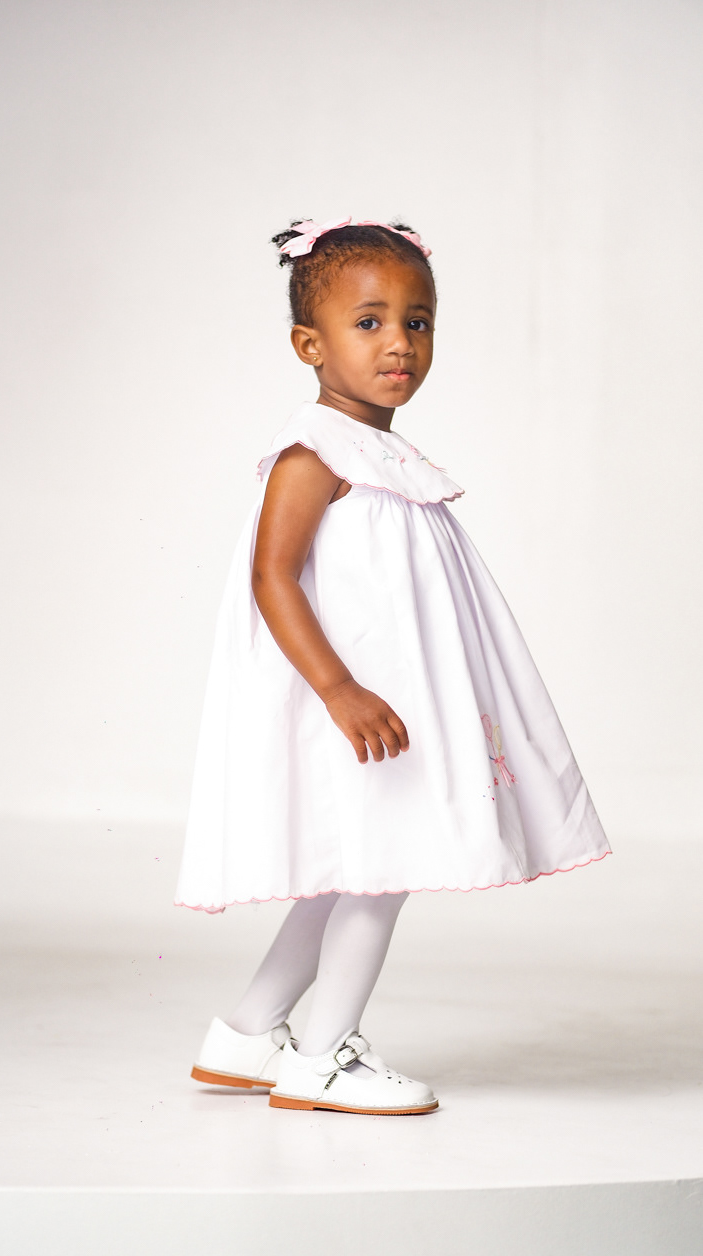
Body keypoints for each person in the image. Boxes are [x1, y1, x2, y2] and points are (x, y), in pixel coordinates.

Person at [174, 217, 610, 1115]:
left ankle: (248, 1033)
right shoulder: (312, 452)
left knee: (358, 868)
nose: (399, 343)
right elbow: (270, 576)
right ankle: (323, 1055)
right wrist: (339, 690)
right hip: (354, 706)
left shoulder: (382, 452)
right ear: (310, 345)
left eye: (417, 322)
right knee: (380, 869)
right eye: (368, 322)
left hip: (394, 708)